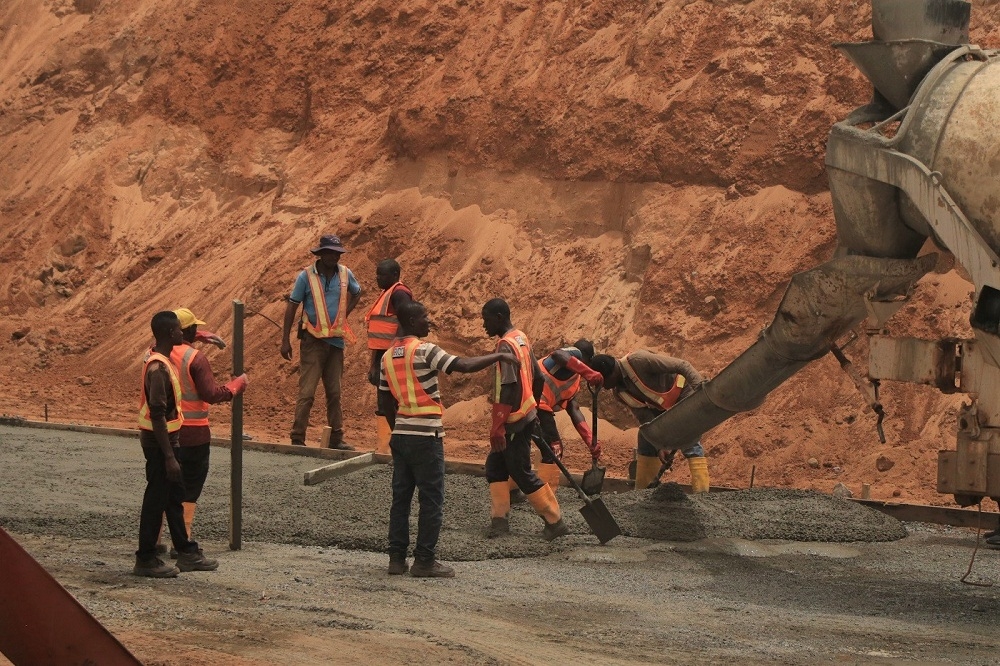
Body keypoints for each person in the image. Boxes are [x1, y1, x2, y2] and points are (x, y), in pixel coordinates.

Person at [378, 301, 519, 578]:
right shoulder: (424, 350)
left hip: (401, 435)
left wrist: (401, 430)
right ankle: (424, 561)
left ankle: (396, 559)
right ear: (410, 321)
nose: (428, 321)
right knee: (431, 499)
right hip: (426, 436)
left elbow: (384, 403)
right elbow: (462, 365)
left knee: (401, 499)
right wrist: (498, 358)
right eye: (424, 317)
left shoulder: (386, 357)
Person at [134, 311, 219, 578]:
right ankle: (146, 559)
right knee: (156, 499)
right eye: (179, 331)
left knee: (172, 497)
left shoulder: (160, 358)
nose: (182, 334)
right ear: (171, 334)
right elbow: (158, 414)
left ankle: (187, 551)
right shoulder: (159, 368)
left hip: (167, 441)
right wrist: (169, 456)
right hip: (161, 444)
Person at [157, 307, 247, 556]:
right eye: (194, 328)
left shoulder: (155, 353)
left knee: (163, 488)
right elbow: (211, 393)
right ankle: (182, 541)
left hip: (165, 433)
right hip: (194, 436)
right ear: (188, 331)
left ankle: (156, 541)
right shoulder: (195, 359)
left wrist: (198, 335)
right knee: (190, 489)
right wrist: (237, 385)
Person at [481, 298, 569, 540]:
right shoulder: (520, 337)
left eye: (485, 319)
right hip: (525, 413)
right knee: (496, 466)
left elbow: (508, 388)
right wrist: (535, 410)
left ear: (499, 317)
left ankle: (555, 521)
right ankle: (499, 521)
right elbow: (538, 377)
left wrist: (498, 426)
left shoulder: (505, 347)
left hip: (513, 419)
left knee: (519, 470)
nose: (483, 325)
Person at [280, 234, 362, 449]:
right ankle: (297, 438)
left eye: (336, 253)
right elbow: (292, 306)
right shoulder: (306, 277)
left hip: (335, 342)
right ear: (320, 254)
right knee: (307, 392)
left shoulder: (345, 274)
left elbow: (357, 292)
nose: (333, 257)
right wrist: (285, 340)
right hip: (313, 342)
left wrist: (345, 315)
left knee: (335, 392)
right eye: (329, 253)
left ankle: (337, 437)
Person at [588, 351, 710, 492]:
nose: (603, 387)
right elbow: (646, 418)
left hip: (684, 393)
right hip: (663, 407)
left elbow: (682, 365)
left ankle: (702, 494)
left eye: (603, 382)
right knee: (646, 436)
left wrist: (701, 392)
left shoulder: (639, 361)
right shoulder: (620, 393)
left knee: (688, 438)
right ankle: (643, 492)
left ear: (610, 373)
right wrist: (660, 445)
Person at [532, 340, 605, 490]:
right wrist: (588, 372)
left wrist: (589, 439)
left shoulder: (574, 379)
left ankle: (514, 490)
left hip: (532, 404)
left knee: (521, 445)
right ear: (588, 360)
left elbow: (574, 409)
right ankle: (546, 497)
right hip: (533, 402)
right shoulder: (574, 353)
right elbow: (558, 354)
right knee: (554, 450)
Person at [365, 259, 413, 452]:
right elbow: (380, 336)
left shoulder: (399, 294)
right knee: (384, 400)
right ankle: (386, 446)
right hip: (384, 357)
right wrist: (374, 364)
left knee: (391, 401)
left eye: (381, 274)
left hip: (394, 357)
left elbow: (405, 321)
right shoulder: (386, 294)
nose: (377, 278)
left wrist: (394, 351)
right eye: (377, 274)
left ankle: (394, 446)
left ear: (394, 275)